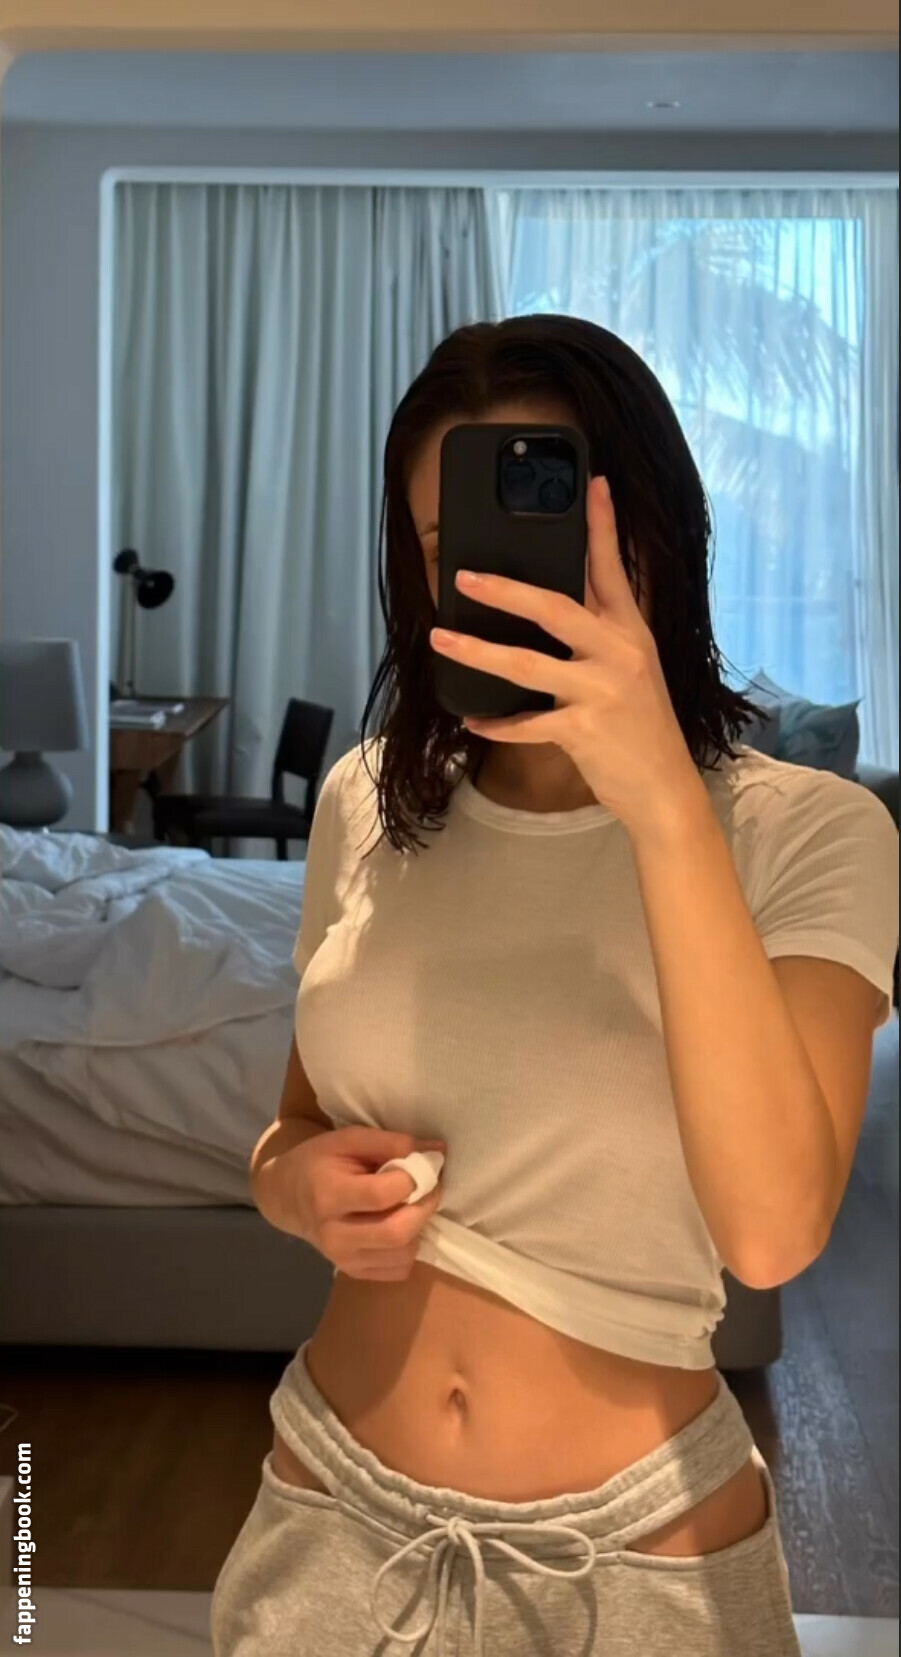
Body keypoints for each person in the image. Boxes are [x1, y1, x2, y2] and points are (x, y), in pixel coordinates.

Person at [211, 315, 899, 1657]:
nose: (492, 578)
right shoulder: (365, 801)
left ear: (653, 535)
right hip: (326, 1516)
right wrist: (291, 1188)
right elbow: (291, 1128)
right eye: (445, 545)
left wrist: (660, 802)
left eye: (548, 533)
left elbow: (770, 1233)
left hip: (636, 1565)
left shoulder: (811, 832)